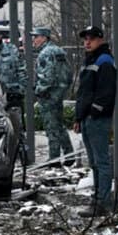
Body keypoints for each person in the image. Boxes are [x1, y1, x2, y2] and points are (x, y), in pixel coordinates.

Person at [73, 25, 115, 216]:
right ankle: (98, 198)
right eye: (85, 39)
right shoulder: (91, 60)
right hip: (88, 118)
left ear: (100, 40)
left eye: (91, 39)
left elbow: (106, 92)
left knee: (101, 161)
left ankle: (102, 202)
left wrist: (93, 112)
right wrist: (79, 117)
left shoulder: (104, 61)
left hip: (97, 119)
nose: (87, 42)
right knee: (94, 162)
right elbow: (84, 92)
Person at [31, 27, 74, 164]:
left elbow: (47, 77)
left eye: (36, 37)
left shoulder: (45, 53)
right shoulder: (58, 51)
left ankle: (54, 158)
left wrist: (38, 90)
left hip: (48, 95)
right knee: (59, 125)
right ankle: (69, 154)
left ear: (44, 38)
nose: (34, 40)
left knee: (51, 127)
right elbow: (68, 73)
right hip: (59, 93)